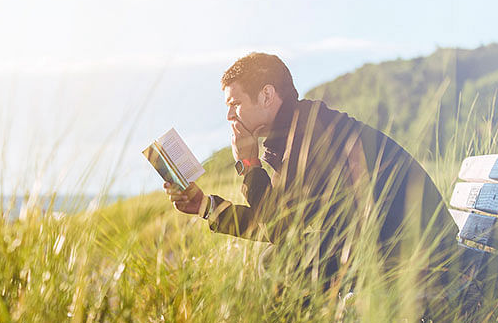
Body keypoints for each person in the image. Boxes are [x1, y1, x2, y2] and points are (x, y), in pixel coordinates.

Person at [163, 52, 461, 300]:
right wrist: (205, 206)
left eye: (234, 104)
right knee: (280, 260)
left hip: (423, 261)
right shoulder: (295, 132)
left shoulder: (312, 135)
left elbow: (279, 228)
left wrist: (251, 164)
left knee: (282, 263)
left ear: (266, 95)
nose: (230, 117)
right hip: (396, 251)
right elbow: (282, 225)